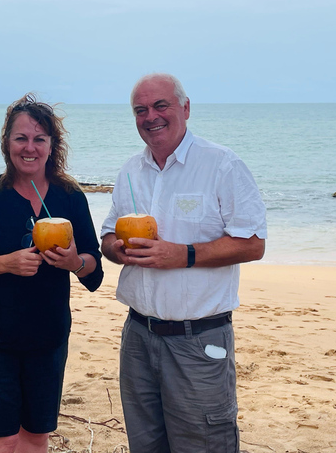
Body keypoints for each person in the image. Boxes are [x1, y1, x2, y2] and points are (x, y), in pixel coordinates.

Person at [100, 73, 267, 453]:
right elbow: (108, 237)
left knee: (205, 444)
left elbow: (253, 243)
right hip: (138, 337)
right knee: (145, 445)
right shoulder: (130, 171)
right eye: (141, 110)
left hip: (200, 339)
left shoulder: (222, 165)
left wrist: (184, 254)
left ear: (185, 108)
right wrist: (117, 250)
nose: (151, 116)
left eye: (161, 105)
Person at [0, 93, 104, 453]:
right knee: (2, 438)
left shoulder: (70, 198)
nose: (29, 147)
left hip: (46, 337)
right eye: (21, 138)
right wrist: (6, 263)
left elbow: (93, 269)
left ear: (51, 146)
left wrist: (74, 263)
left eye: (39, 139)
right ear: (7, 144)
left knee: (34, 436)